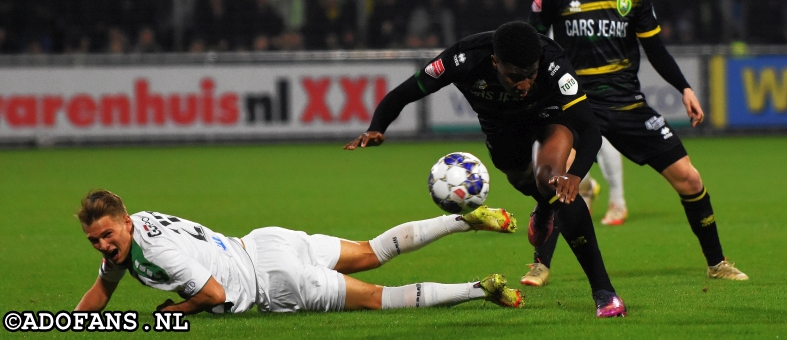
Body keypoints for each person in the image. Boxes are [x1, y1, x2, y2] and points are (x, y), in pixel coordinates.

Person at [528, 0, 748, 287]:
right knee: (560, 181)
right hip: (577, 104)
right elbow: (531, 43)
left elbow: (656, 49)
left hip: (628, 104)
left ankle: (717, 263)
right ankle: (539, 264)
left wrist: (684, 87)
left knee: (690, 180)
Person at [345, 21, 626, 318]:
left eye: (531, 75)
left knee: (555, 183)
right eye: (515, 77)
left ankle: (604, 293)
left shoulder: (554, 64)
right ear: (495, 62)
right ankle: (544, 209)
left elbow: (590, 130)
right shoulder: (463, 59)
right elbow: (407, 90)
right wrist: (378, 126)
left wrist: (575, 174)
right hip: (501, 129)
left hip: (549, 116)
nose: (525, 85)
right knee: (523, 179)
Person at [75, 190, 522, 315]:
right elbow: (102, 287)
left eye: (108, 235)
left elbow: (213, 294)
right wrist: (72, 323)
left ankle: (478, 290)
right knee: (371, 251)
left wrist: (175, 310)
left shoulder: (153, 254)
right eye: (95, 240)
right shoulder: (139, 223)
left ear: (126, 223)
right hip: (264, 241)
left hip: (271, 281)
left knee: (378, 296)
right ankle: (463, 219)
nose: (104, 245)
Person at [537, 0, 629, 233]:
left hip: (602, 60)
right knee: (568, 131)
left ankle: (617, 199)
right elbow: (542, 11)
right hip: (563, 61)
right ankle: (586, 187)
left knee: (601, 131)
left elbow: (621, 1)